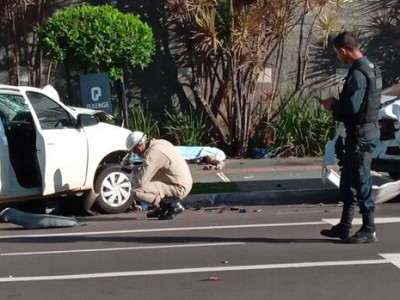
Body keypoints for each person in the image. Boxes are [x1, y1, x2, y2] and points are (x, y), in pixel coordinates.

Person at [319, 31, 381, 244]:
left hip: (360, 134)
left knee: (360, 179)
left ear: (344, 50)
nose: (339, 57)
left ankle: (368, 228)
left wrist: (332, 105)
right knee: (350, 178)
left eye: (338, 53)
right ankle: (344, 225)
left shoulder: (357, 73)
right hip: (366, 130)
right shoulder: (371, 67)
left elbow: (352, 106)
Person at [125, 131, 193, 220]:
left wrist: (131, 176)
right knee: (150, 177)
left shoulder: (152, 154)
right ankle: (162, 208)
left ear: (140, 145)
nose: (136, 153)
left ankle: (171, 205)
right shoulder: (160, 143)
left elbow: (140, 181)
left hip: (179, 187)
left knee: (136, 191)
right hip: (183, 181)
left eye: (135, 150)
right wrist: (136, 167)